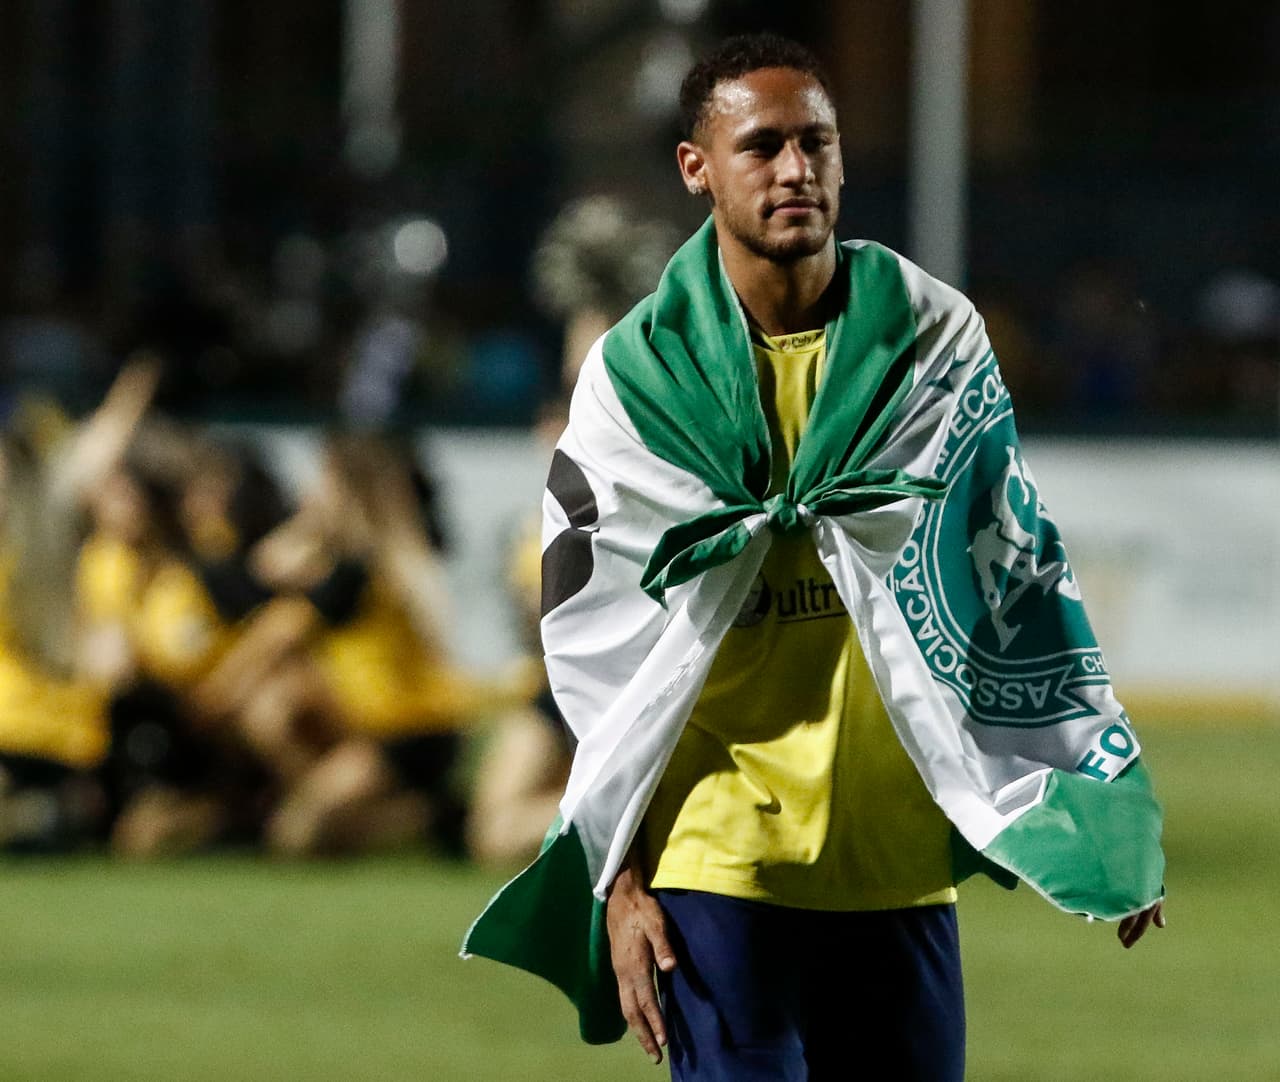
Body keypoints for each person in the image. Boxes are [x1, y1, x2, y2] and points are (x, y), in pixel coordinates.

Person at [464, 33, 1166, 1081]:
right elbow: (593, 641)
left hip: (893, 861)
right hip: (716, 860)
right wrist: (618, 872)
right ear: (695, 168)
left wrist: (1096, 793)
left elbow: (1013, 571)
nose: (795, 169)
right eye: (762, 146)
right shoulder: (636, 374)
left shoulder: (933, 335)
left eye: (816, 143)